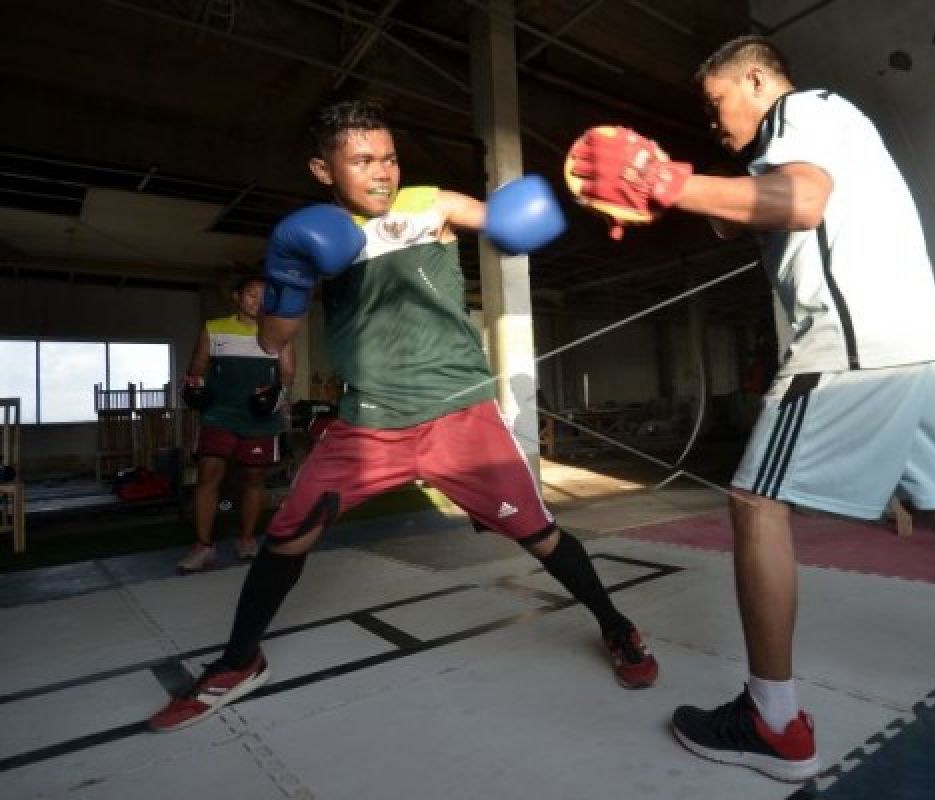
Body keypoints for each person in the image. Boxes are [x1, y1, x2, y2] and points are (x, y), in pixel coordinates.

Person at [567, 35, 935, 783]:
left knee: (756, 504)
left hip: (854, 349)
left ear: (755, 78)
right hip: (916, 344)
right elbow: (750, 212)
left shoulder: (799, 113)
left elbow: (802, 200)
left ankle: (773, 723)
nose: (715, 122)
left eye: (717, 102)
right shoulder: (829, 127)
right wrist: (657, 191)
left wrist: (667, 178)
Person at [149, 99, 656, 732]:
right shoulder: (316, 237)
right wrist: (288, 273)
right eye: (362, 161)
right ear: (322, 168)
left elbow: (503, 221)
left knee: (540, 535)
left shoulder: (431, 203)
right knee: (288, 537)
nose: (383, 172)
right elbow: (276, 341)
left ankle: (617, 626)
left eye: (389, 157)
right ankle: (238, 661)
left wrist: (583, 197)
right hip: (368, 424)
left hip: (458, 418)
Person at [177, 276, 294, 572]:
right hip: (220, 414)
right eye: (252, 294)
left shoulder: (279, 334)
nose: (258, 301)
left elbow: (288, 376)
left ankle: (246, 540)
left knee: (254, 479)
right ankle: (203, 546)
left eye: (265, 296)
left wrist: (273, 395)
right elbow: (196, 370)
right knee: (208, 475)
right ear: (237, 296)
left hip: (259, 418)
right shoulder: (214, 329)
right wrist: (194, 387)